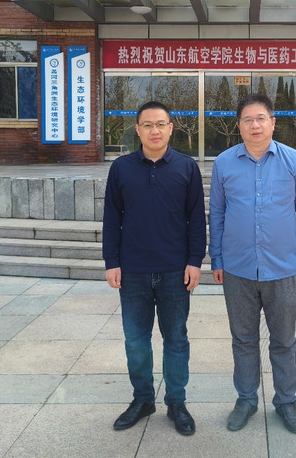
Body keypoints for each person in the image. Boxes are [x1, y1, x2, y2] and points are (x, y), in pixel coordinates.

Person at [209, 93, 296, 435]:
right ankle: (246, 400)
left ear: (273, 123)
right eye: (247, 119)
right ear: (238, 126)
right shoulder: (224, 163)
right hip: (237, 268)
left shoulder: (294, 161)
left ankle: (286, 401)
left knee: (284, 340)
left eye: (261, 118)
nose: (254, 125)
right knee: (243, 340)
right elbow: (217, 213)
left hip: (282, 267)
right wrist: (217, 257)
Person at [102, 101, 206, 436]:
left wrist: (195, 261)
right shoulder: (121, 168)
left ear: (171, 128)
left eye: (161, 124)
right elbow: (111, 218)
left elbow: (196, 220)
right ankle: (143, 399)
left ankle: (177, 402)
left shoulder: (187, 167)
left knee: (176, 339)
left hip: (175, 271)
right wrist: (111, 262)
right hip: (133, 271)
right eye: (147, 125)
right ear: (138, 130)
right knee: (135, 340)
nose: (155, 130)